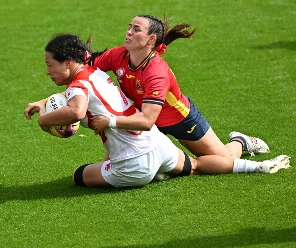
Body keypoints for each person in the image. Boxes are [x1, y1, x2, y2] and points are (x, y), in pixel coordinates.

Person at [23, 33, 290, 188]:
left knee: (78, 176)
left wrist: (44, 119)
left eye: (49, 65)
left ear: (68, 62)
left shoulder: (82, 87)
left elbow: (77, 110)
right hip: (157, 142)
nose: (47, 71)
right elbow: (80, 92)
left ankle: (151, 176)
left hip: (135, 162)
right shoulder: (94, 71)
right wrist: (44, 102)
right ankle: (257, 167)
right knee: (195, 165)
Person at [88, 14, 269, 159]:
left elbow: (147, 121)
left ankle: (240, 141)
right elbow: (86, 69)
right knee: (117, 161)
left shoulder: (156, 71)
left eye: (136, 29)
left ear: (151, 39)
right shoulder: (117, 55)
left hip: (180, 119)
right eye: (129, 27)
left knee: (225, 160)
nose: (128, 32)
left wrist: (109, 121)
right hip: (143, 117)